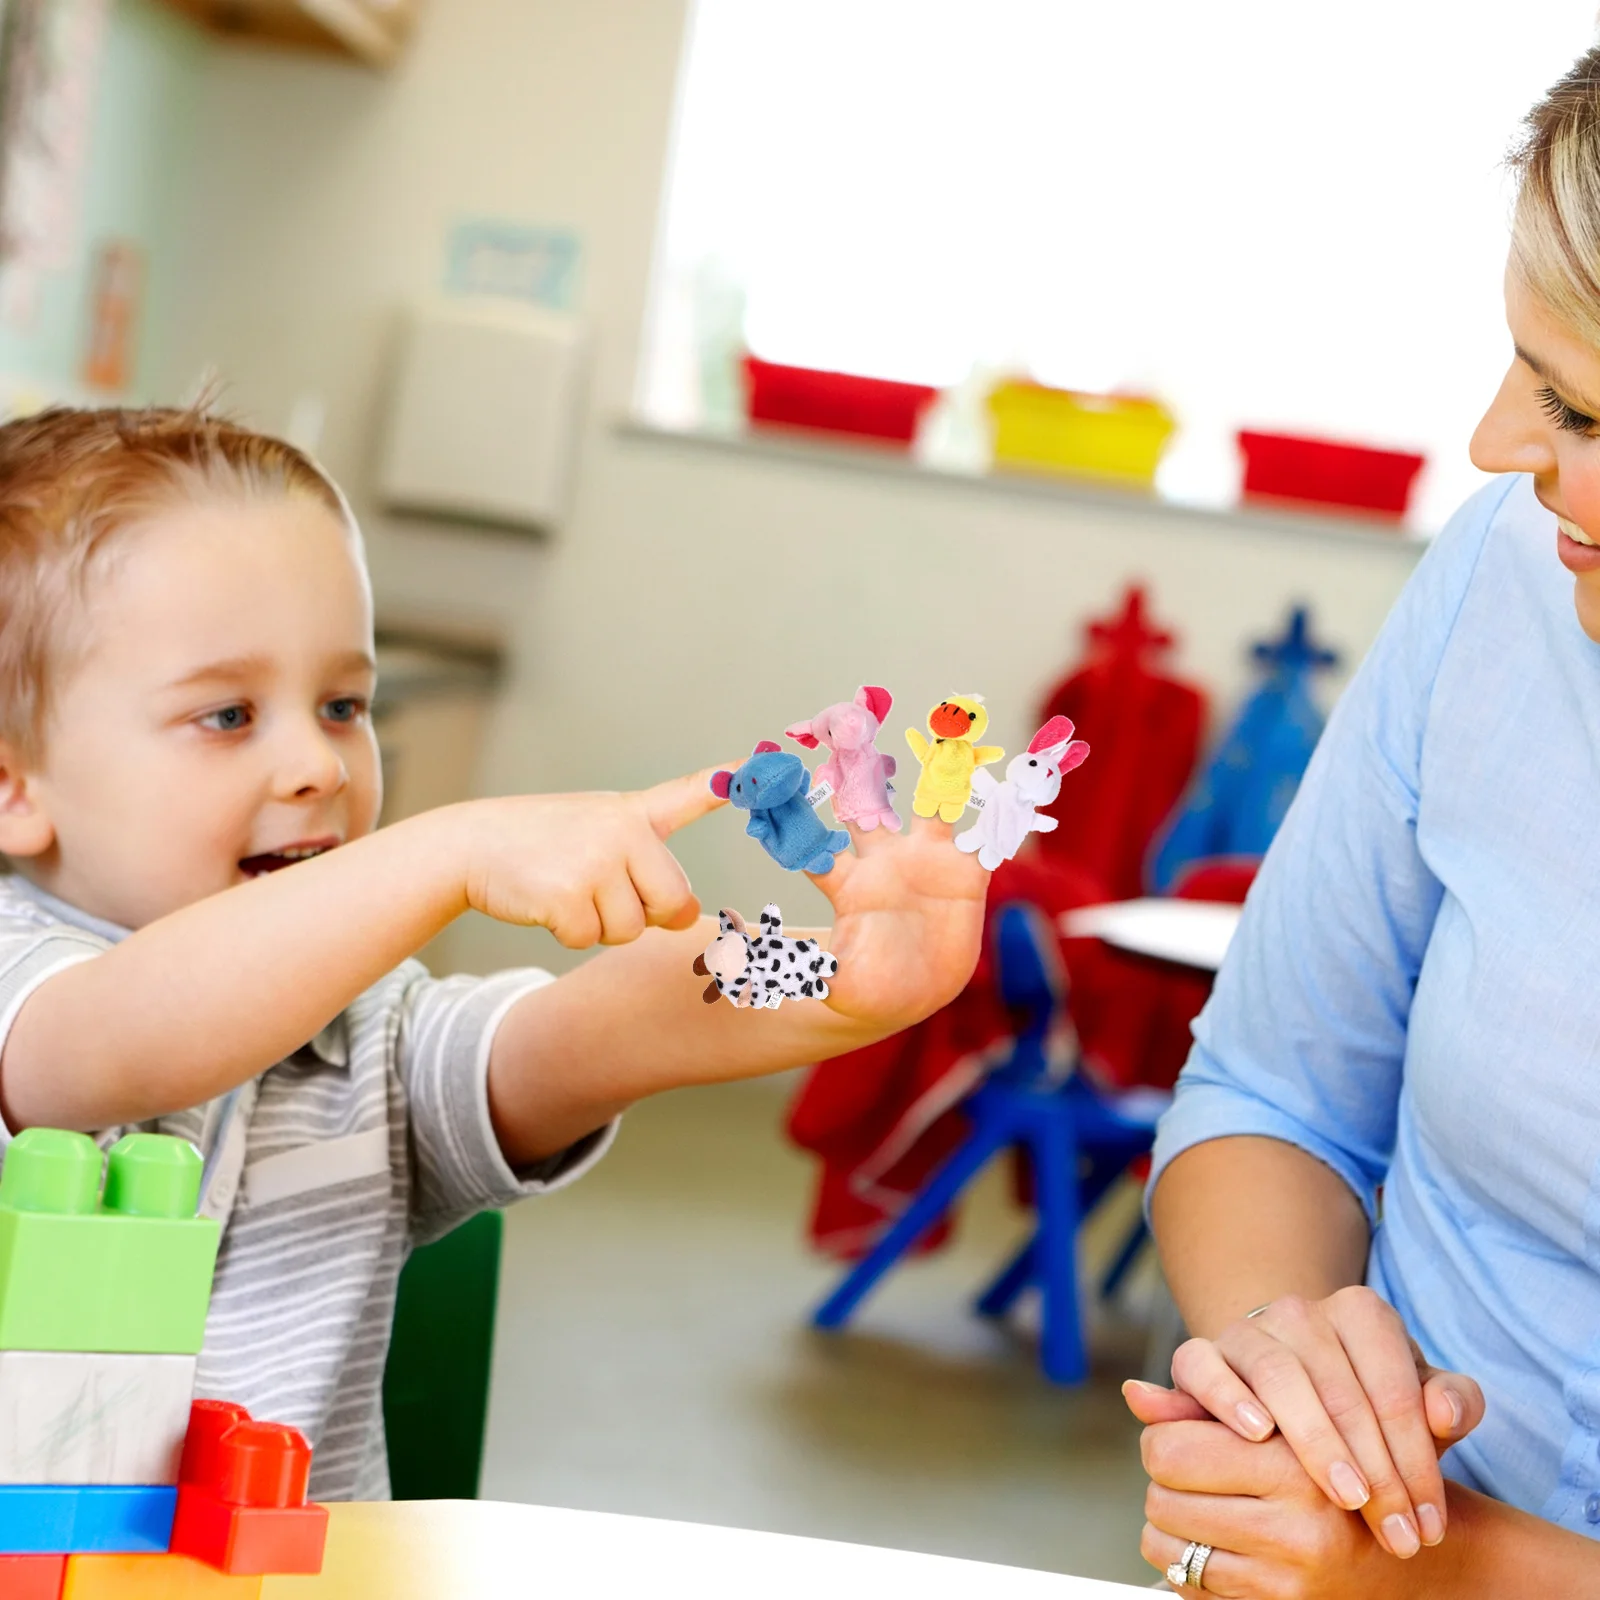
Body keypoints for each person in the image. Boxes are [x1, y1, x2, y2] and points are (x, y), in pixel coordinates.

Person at [0, 404, 989, 1500]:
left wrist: (834, 977)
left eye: (342, 704)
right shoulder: (26, 980)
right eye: (228, 714)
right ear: (13, 783)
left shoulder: (370, 1035)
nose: (318, 765)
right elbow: (108, 1044)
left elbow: (587, 1031)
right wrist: (450, 846)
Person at [1123, 47, 1600, 1596]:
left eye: (1578, 407)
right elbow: (1271, 1088)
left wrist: (1429, 1571)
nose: (1494, 448)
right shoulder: (1501, 578)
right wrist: (1294, 1388)